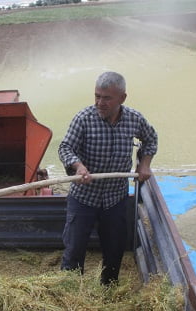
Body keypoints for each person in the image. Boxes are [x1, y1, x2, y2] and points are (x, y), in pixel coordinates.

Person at [58, 71, 158, 285]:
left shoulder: (134, 119)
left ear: (122, 98)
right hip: (84, 197)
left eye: (106, 98)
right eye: (97, 96)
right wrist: (78, 166)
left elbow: (151, 139)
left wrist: (144, 163)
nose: (100, 103)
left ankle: (108, 289)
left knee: (114, 250)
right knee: (74, 250)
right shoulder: (84, 119)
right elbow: (66, 147)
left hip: (115, 198)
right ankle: (69, 290)